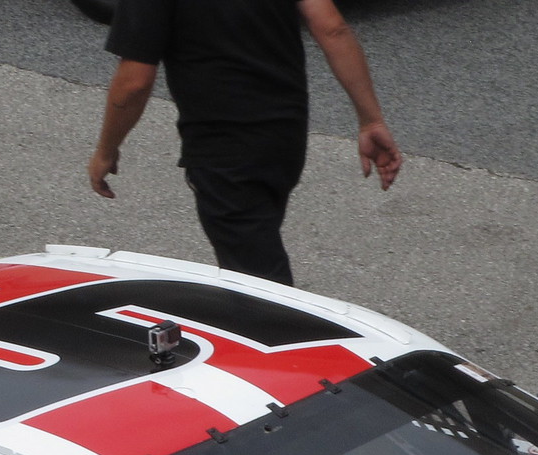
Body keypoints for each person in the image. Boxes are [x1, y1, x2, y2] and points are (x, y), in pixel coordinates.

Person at [87, 0, 402, 288]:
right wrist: (370, 120)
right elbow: (332, 28)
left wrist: (106, 149)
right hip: (285, 135)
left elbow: (134, 82)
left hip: (226, 151)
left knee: (262, 289)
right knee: (252, 259)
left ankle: (286, 342)